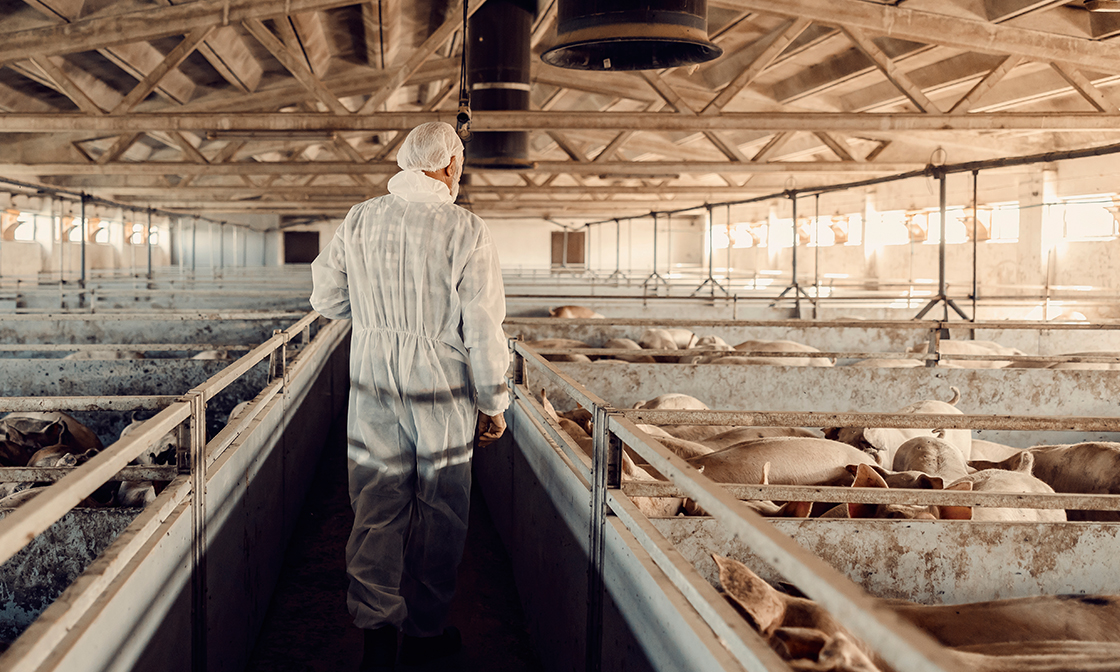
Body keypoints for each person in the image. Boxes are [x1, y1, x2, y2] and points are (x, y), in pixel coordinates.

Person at [309, 121, 509, 671]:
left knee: (375, 500)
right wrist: (493, 402)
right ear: (447, 165)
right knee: (440, 506)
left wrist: (375, 323)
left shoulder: (361, 217)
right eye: (458, 163)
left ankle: (376, 632)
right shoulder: (466, 229)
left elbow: (325, 297)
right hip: (441, 387)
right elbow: (484, 327)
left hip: (372, 378)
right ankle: (424, 631)